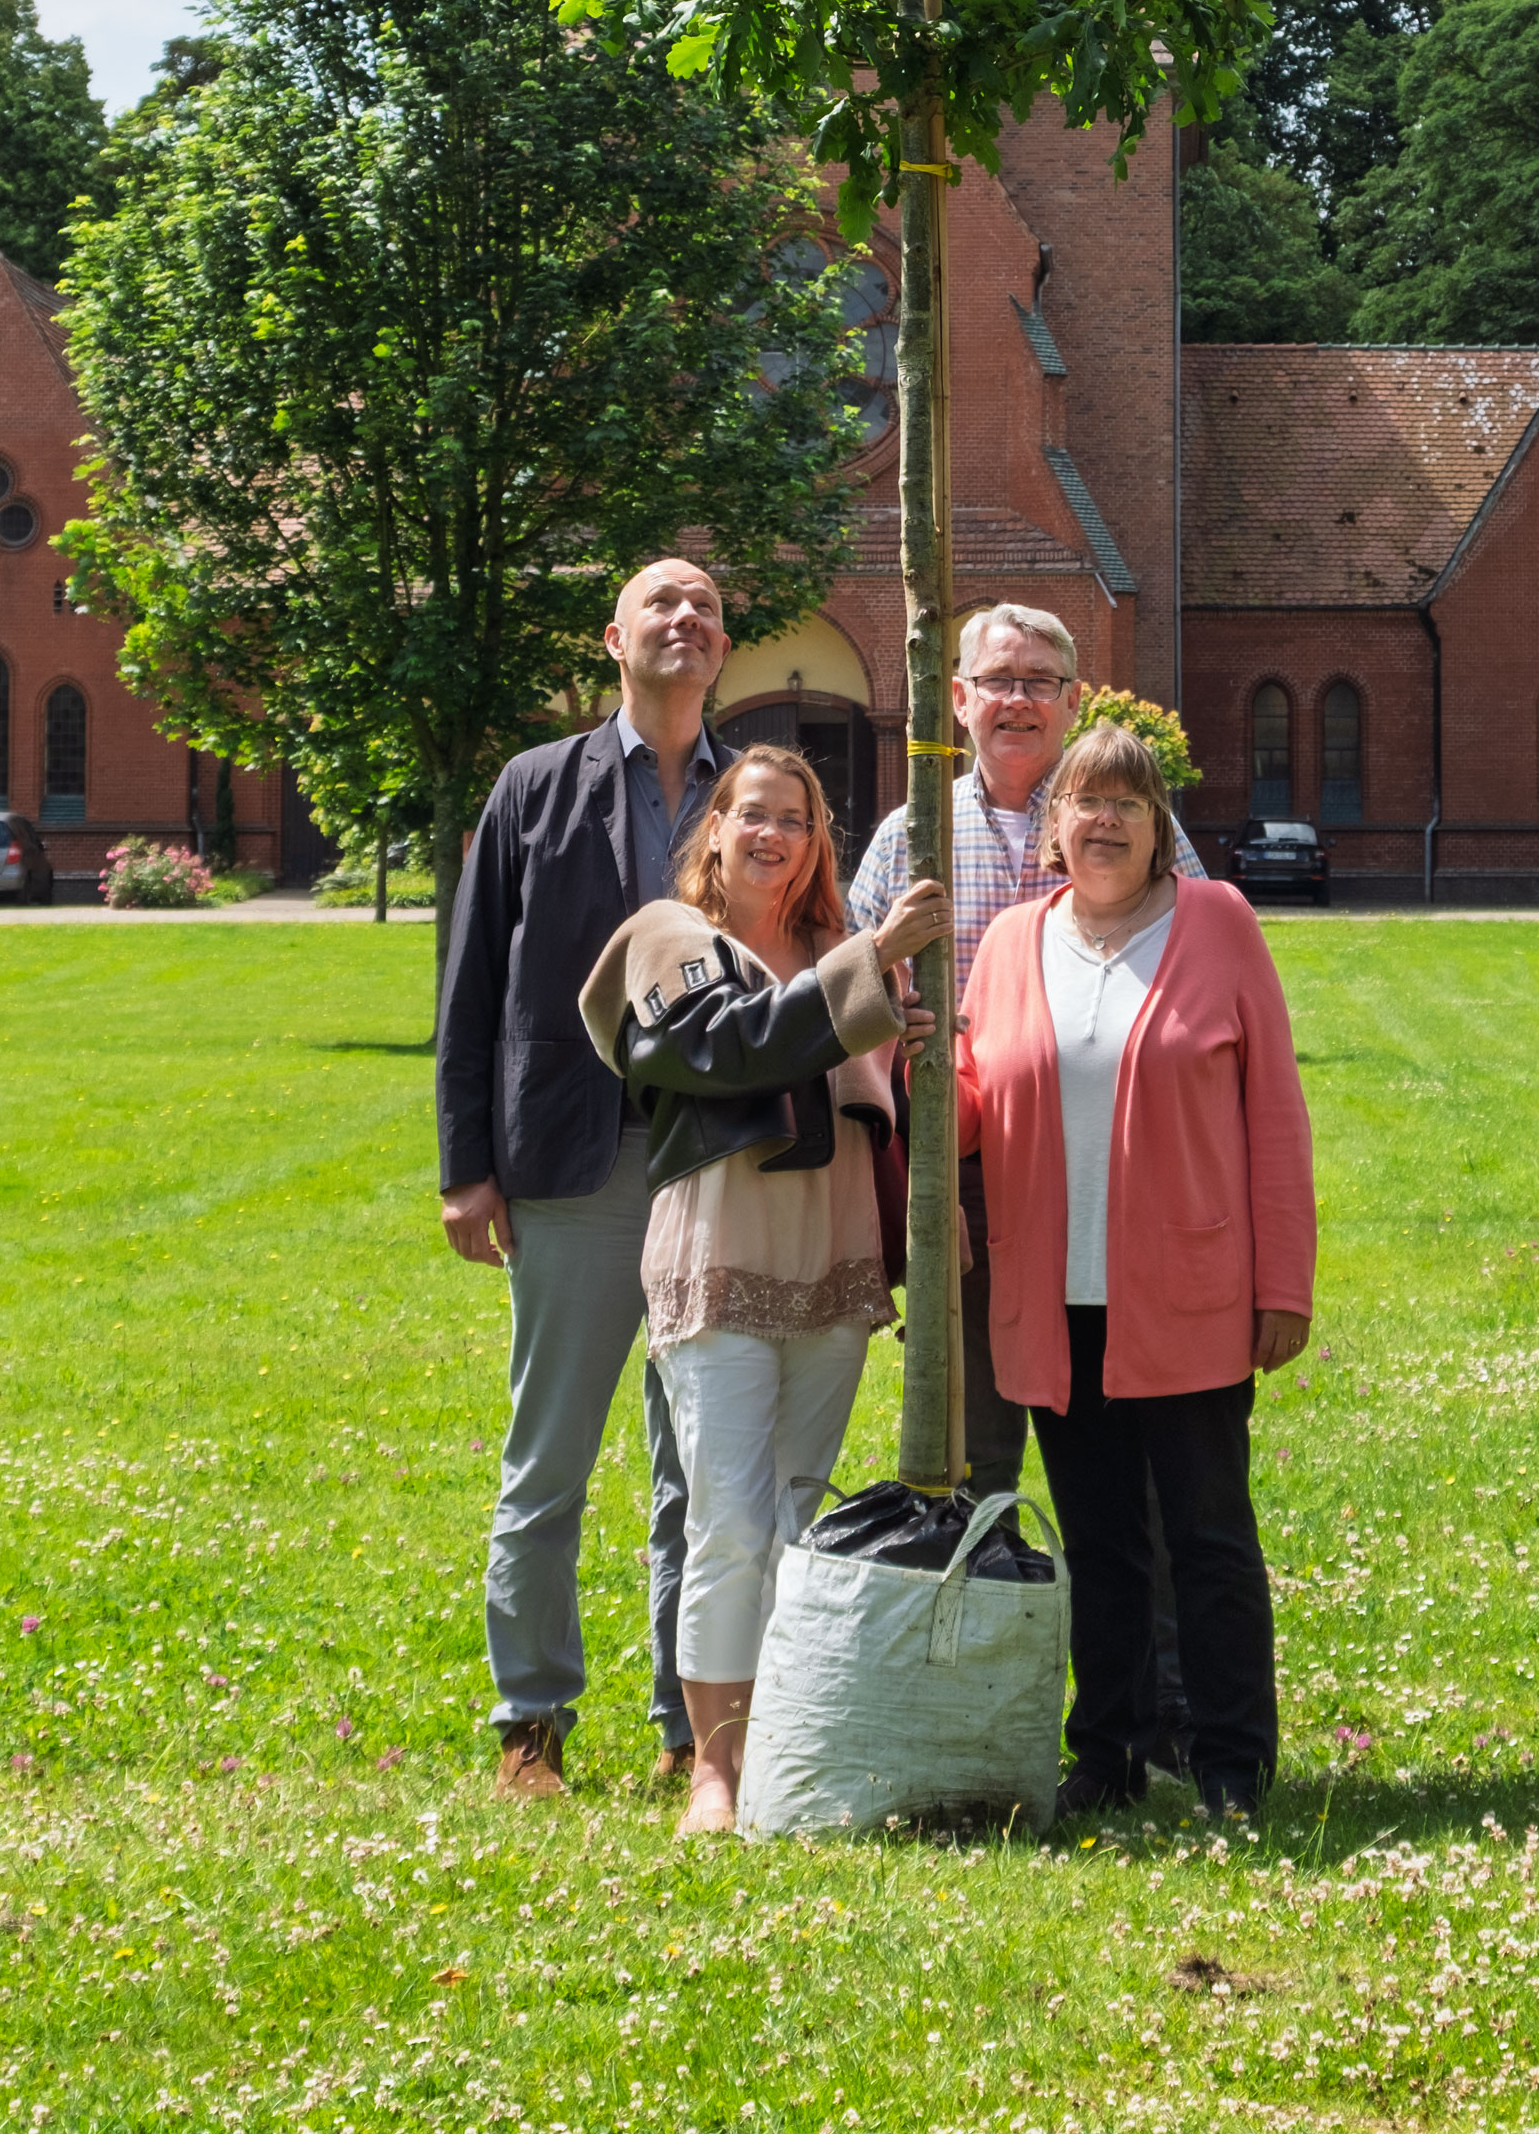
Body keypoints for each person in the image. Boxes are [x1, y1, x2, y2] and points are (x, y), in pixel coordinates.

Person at [580, 746, 950, 1836]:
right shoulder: (669, 940)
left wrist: (900, 1029)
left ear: (816, 840)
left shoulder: (842, 948)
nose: (771, 833)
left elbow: (870, 1087)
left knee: (799, 1510)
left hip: (829, 1258)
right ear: (714, 830)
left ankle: (790, 1742)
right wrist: (870, 976)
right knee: (729, 1520)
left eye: (794, 817)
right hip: (722, 1249)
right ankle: (712, 1770)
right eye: (751, 813)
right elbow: (729, 1048)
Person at [955, 719, 1315, 1824]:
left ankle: (1229, 1761)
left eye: (1126, 802)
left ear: (1161, 830)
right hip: (1058, 1296)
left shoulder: (1215, 923)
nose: (1100, 819)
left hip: (1191, 1291)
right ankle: (1104, 1749)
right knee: (1099, 1541)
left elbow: (1274, 1116)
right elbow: (971, 1096)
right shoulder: (1013, 939)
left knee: (1206, 1535)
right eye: (1081, 801)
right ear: (1052, 826)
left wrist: (1282, 1285)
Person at [437, 558, 735, 1799]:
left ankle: (687, 1724)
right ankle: (531, 1721)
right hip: (568, 1159)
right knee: (548, 1457)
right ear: (614, 638)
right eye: (660, 604)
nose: (684, 619)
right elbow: (467, 989)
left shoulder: (754, 795)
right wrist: (467, 1169)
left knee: (699, 1464)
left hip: (713, 1162)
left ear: (725, 648)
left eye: (705, 609)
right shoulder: (533, 788)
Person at [844, 603, 1202, 1500]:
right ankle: (984, 1626)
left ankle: (1135, 1633)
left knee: (1124, 1443)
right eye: (998, 680)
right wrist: (918, 1182)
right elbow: (849, 1000)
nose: (1017, 700)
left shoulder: (1120, 822)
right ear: (958, 698)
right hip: (957, 1168)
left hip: (1104, 1166)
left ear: (1073, 700)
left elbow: (1195, 960)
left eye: (1038, 681)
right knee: (973, 1447)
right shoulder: (907, 837)